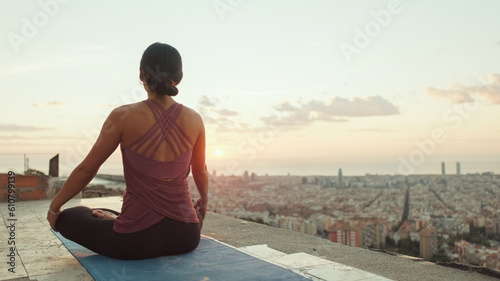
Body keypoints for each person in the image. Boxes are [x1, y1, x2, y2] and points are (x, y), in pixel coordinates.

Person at [47, 42, 209, 260]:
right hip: (187, 236)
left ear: (141, 74)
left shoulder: (122, 116)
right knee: (107, 213)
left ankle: (115, 220)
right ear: (179, 77)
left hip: (134, 241)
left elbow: (87, 169)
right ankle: (117, 219)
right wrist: (204, 202)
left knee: (70, 216)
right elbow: (201, 171)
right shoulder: (195, 119)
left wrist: (54, 209)